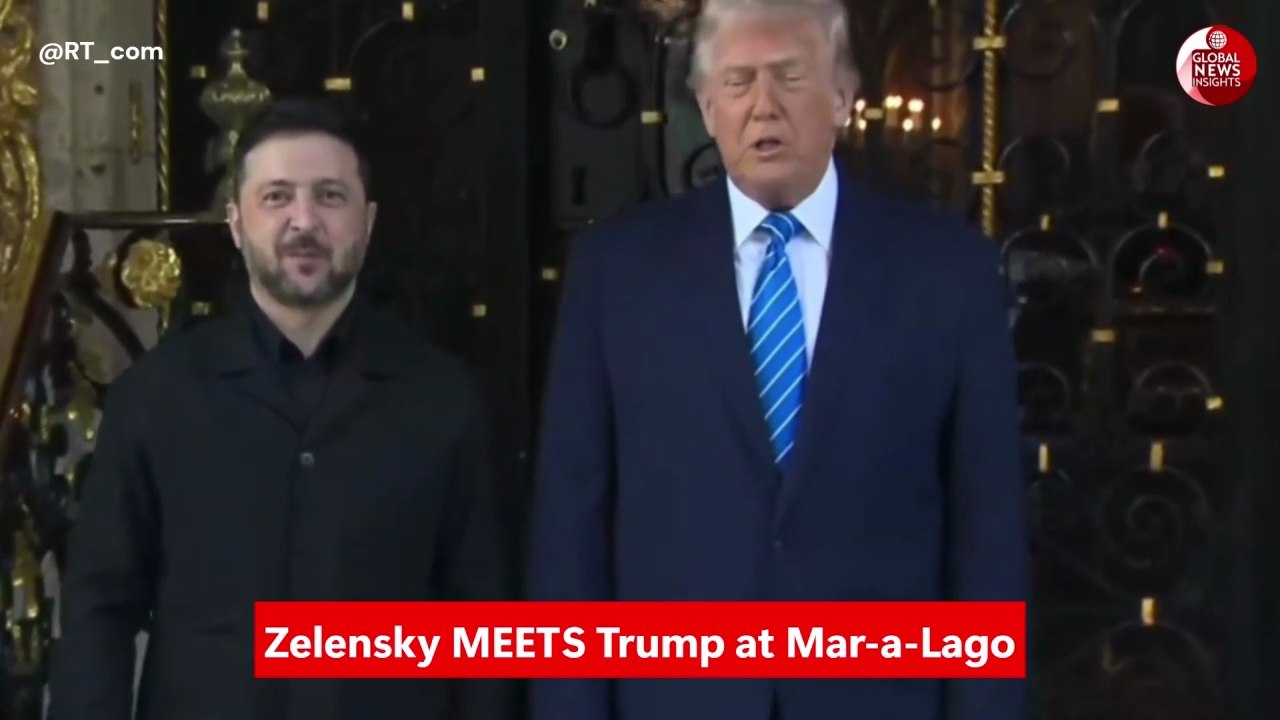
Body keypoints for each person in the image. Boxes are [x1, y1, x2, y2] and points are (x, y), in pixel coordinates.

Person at [526, 0, 1028, 718]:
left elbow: (988, 532)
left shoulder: (947, 271)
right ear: (707, 106)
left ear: (844, 96)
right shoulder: (618, 273)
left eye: (790, 77)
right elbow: (572, 527)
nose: (764, 105)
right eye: (738, 82)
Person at [51, 98, 513, 720]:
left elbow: (481, 615)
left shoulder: (446, 399)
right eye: (276, 197)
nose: (304, 220)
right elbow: (99, 606)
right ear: (236, 224)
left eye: (330, 196)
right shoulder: (156, 396)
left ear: (368, 221)